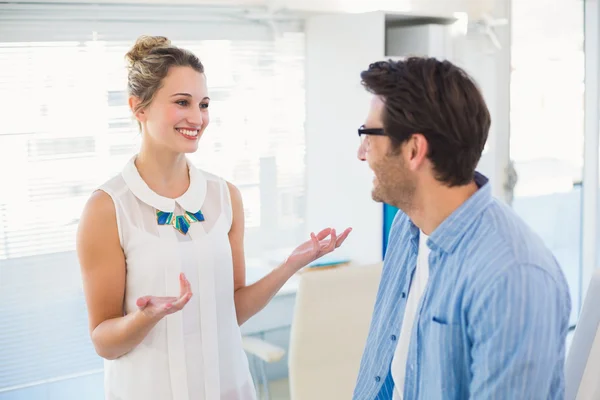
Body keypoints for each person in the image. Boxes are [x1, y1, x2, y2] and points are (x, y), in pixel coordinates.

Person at [76, 35, 351, 400]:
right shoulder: (108, 208)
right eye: (182, 103)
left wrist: (290, 265)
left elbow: (231, 310)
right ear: (138, 108)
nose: (198, 118)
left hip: (227, 388)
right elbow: (104, 342)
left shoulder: (224, 197)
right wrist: (146, 317)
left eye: (203, 104)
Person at [352, 57, 571, 400]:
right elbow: (385, 372)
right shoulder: (407, 227)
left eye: (369, 136)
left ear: (413, 150)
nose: (361, 154)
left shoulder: (513, 277)